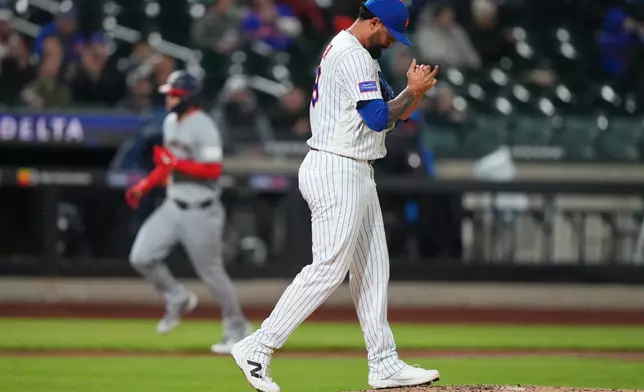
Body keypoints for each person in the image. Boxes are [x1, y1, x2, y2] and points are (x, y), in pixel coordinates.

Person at [230, 1, 440, 391]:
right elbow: (378, 117)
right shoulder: (352, 55)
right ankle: (259, 346)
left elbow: (397, 112)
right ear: (373, 22)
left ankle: (384, 362)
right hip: (336, 168)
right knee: (328, 268)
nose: (392, 43)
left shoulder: (360, 54)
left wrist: (415, 94)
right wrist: (411, 93)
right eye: (390, 34)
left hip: (354, 168)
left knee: (373, 268)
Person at [125, 70, 252, 353]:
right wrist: (144, 186)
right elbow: (166, 165)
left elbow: (212, 170)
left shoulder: (205, 126)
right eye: (169, 94)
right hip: (173, 205)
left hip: (201, 210)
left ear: (189, 98)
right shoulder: (170, 122)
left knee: (212, 273)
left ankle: (238, 327)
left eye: (175, 94)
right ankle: (176, 297)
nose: (169, 99)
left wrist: (176, 164)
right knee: (142, 256)